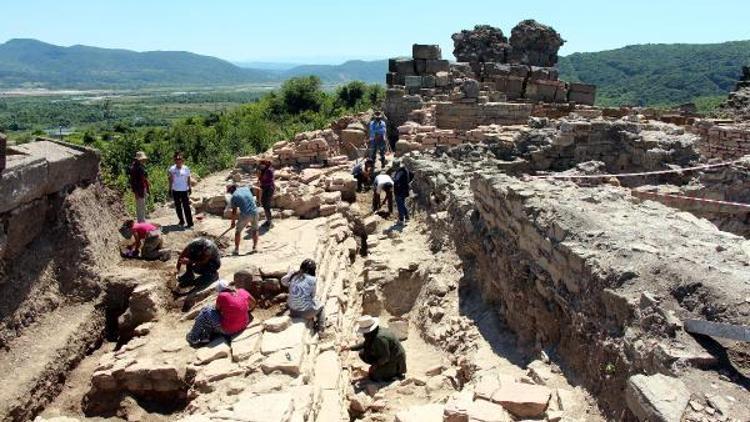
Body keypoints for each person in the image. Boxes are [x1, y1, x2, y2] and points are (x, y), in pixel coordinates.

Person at [186, 280, 256, 346]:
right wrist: (243, 309)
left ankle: (193, 337)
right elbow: (253, 303)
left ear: (220, 290)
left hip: (229, 331)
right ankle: (205, 337)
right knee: (208, 314)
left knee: (205, 311)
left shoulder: (222, 295)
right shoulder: (241, 291)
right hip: (244, 324)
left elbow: (217, 309)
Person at [346, 316, 406, 382]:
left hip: (394, 360)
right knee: (363, 353)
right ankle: (382, 368)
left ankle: (393, 374)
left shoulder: (379, 338)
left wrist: (374, 366)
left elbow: (385, 357)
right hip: (387, 355)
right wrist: (350, 348)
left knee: (374, 376)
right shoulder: (375, 331)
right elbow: (365, 344)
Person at [281, 259, 325, 333]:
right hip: (304, 312)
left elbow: (283, 281)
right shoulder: (312, 280)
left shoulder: (294, 276)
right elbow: (313, 295)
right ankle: (321, 330)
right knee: (321, 307)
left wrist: (291, 274)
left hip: (293, 311)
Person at [228, 183, 260, 255]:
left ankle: (236, 250)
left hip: (245, 215)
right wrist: (258, 201)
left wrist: (232, 223)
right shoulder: (246, 187)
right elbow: (259, 189)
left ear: (231, 191)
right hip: (255, 212)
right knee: (255, 230)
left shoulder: (234, 197)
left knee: (238, 231)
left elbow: (234, 212)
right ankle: (255, 247)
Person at [169, 152, 193, 228]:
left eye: (180, 161)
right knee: (178, 207)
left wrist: (189, 187)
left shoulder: (186, 168)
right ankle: (181, 221)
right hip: (175, 190)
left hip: (184, 190)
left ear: (182, 161)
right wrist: (169, 189)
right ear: (175, 161)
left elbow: (188, 178)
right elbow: (170, 179)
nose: (178, 162)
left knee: (186, 207)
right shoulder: (172, 169)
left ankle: (190, 223)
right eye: (177, 161)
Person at [128, 151, 150, 222]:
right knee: (140, 206)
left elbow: (143, 178)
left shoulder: (140, 166)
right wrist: (135, 192)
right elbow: (133, 181)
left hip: (142, 188)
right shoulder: (134, 168)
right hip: (139, 190)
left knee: (142, 205)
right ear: (138, 159)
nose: (143, 160)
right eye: (142, 159)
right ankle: (141, 222)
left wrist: (147, 186)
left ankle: (142, 220)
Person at [257, 160, 275, 228]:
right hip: (264, 188)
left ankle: (270, 222)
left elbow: (270, 181)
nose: (261, 166)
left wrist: (261, 183)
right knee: (264, 204)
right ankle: (268, 220)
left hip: (269, 189)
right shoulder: (263, 170)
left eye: (261, 165)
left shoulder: (269, 170)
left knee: (266, 206)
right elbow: (261, 179)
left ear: (264, 164)